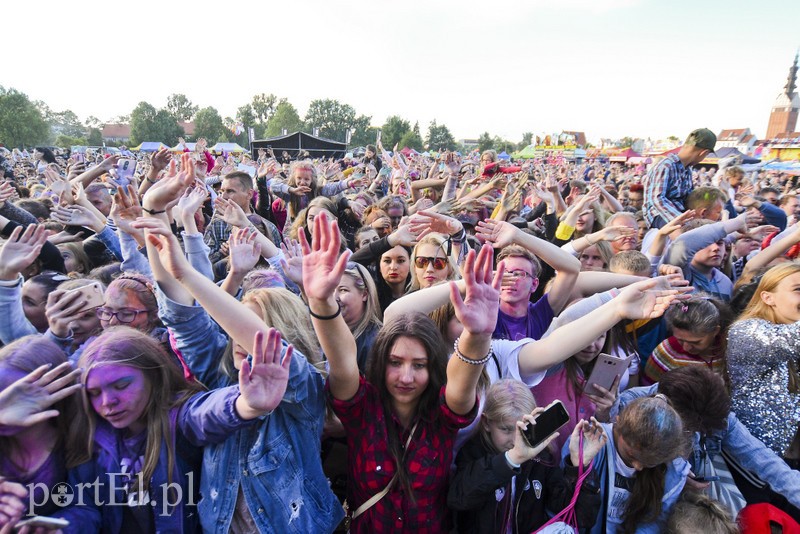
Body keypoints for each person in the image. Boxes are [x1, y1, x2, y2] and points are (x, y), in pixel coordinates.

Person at [135, 207, 343, 532]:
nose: (239, 337)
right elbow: (182, 319)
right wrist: (155, 210)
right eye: (234, 327)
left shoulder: (305, 389)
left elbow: (270, 347)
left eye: (249, 327)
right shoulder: (220, 376)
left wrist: (190, 276)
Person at [304, 211, 502, 533]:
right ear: (380, 364)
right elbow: (342, 361)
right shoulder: (362, 409)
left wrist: (477, 336)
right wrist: (322, 303)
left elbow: (461, 382)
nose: (406, 377)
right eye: (395, 363)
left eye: (419, 365)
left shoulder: (442, 415)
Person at [448, 379, 604, 533]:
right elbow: (459, 499)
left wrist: (579, 468)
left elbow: (583, 518)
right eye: (506, 429)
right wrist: (511, 459)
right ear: (487, 423)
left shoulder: (541, 458)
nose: (516, 441)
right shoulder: (472, 452)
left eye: (523, 430)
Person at [565, 396, 690, 534]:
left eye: (650, 463)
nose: (638, 467)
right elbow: (561, 504)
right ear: (617, 422)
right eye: (631, 455)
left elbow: (654, 522)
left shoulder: (672, 471)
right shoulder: (587, 445)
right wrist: (577, 467)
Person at [0, 337, 83, 526]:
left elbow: (88, 508)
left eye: (19, 396)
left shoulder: (78, 440)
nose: (11, 406)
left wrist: (57, 529)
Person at [727, 263, 800, 466]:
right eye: (798, 289)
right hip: (755, 463)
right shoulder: (746, 331)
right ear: (768, 297)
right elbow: (791, 340)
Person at [643, 295, 732, 384]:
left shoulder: (729, 350)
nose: (686, 348)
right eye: (680, 340)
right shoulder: (666, 352)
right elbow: (648, 389)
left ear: (715, 331)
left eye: (696, 342)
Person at [644, 128, 716, 229]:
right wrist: (680, 220)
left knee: (709, 228)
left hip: (679, 215)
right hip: (659, 216)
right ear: (703, 153)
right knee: (689, 236)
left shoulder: (687, 170)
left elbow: (689, 198)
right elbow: (657, 200)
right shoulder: (666, 166)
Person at [204, 171, 281, 263]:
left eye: (230, 191)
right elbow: (204, 264)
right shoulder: (217, 225)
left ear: (249, 194)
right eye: (221, 191)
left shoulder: (269, 227)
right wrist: (223, 253)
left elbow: (279, 263)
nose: (223, 196)